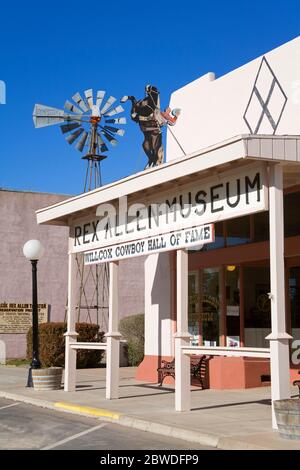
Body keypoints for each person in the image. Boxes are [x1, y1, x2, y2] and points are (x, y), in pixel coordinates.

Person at [121, 86, 181, 168]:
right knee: (145, 145)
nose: (167, 109)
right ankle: (151, 160)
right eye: (167, 109)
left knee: (154, 146)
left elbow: (172, 123)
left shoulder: (164, 115)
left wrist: (176, 115)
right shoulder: (158, 111)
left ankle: (157, 161)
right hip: (146, 131)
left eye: (168, 109)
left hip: (155, 132)